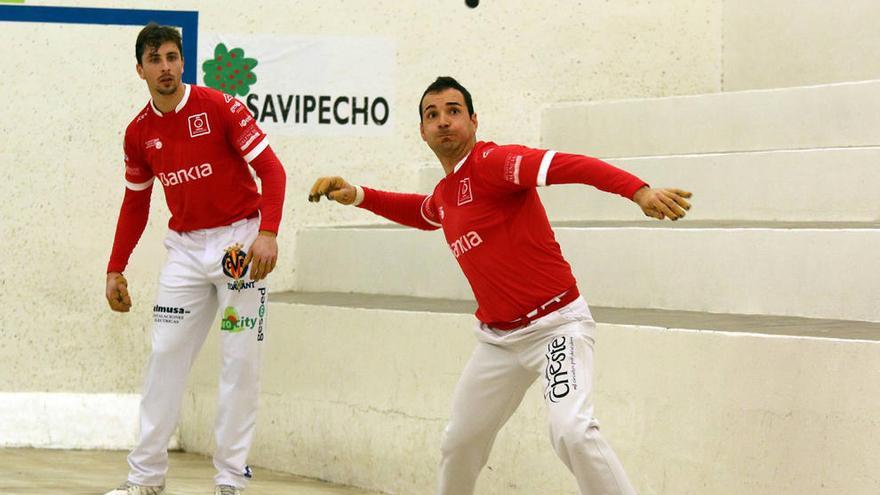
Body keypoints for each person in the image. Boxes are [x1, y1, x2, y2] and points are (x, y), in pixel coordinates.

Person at [308, 76, 691, 494]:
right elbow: (423, 212)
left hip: (556, 327)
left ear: (473, 120)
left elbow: (569, 165)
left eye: (453, 111)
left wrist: (637, 190)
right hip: (498, 342)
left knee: (573, 433)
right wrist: (358, 194)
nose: (443, 122)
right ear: (421, 131)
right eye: (431, 115)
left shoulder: (494, 163)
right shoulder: (446, 192)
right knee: (459, 443)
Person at [103, 23, 286, 495]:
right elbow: (136, 203)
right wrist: (115, 266)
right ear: (140, 69)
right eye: (154, 59)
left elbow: (272, 170)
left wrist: (267, 233)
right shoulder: (138, 133)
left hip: (239, 246)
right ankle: (145, 480)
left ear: (183, 62)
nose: (165, 67)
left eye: (171, 57)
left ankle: (230, 481)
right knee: (164, 355)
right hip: (184, 250)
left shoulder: (221, 107)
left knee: (239, 360)